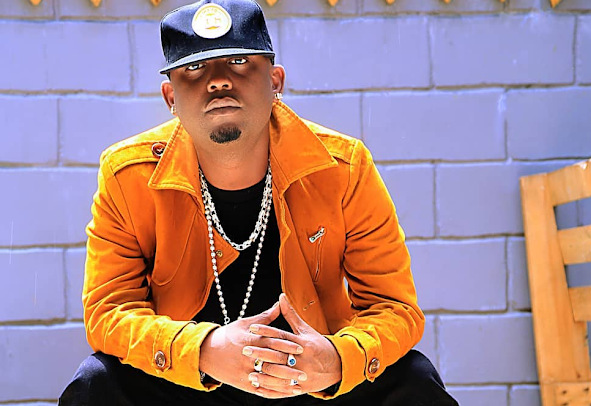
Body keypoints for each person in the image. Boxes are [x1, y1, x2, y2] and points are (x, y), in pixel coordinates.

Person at [59, 0, 459, 404]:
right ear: (170, 97)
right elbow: (108, 312)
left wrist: (336, 359)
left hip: (311, 379)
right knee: (96, 383)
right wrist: (204, 350)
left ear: (275, 80)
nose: (218, 81)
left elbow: (394, 307)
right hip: (192, 380)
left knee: (414, 379)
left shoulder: (342, 167)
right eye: (194, 68)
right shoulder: (128, 175)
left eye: (238, 61)